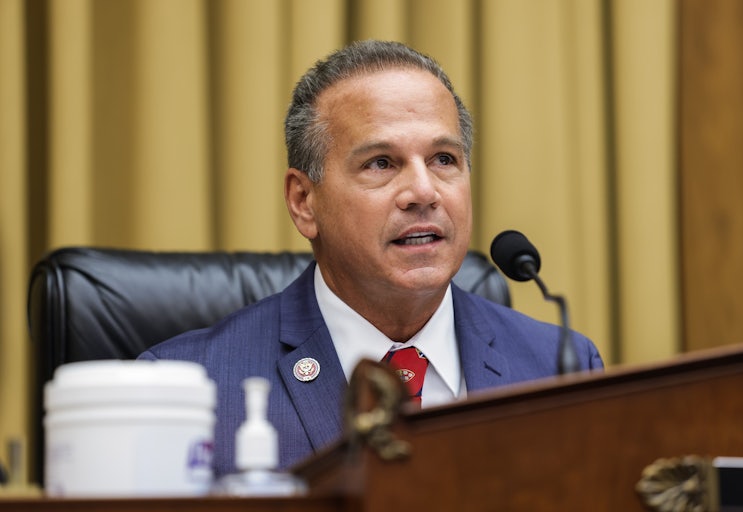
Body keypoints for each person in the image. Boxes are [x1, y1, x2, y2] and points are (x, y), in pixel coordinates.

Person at [139, 39, 604, 477]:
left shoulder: (560, 366)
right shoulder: (187, 393)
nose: (423, 192)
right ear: (304, 201)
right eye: (381, 163)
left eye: (444, 159)